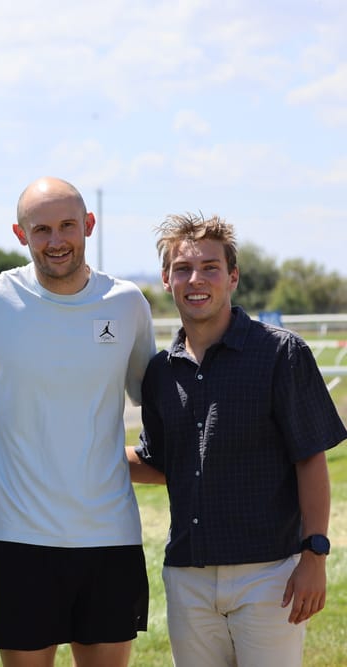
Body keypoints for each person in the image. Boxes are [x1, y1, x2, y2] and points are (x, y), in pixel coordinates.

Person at [0, 177, 157, 667]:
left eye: (68, 225)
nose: (56, 240)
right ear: (19, 234)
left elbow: (158, 406)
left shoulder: (127, 303)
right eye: (41, 229)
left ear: (88, 225)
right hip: (20, 537)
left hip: (110, 533)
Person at [127, 213, 346, 667]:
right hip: (187, 577)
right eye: (183, 269)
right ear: (166, 280)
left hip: (271, 575)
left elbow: (310, 459)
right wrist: (72, 455)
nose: (196, 279)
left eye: (210, 267)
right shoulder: (160, 373)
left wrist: (315, 554)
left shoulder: (282, 354)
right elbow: (161, 462)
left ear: (233, 277)